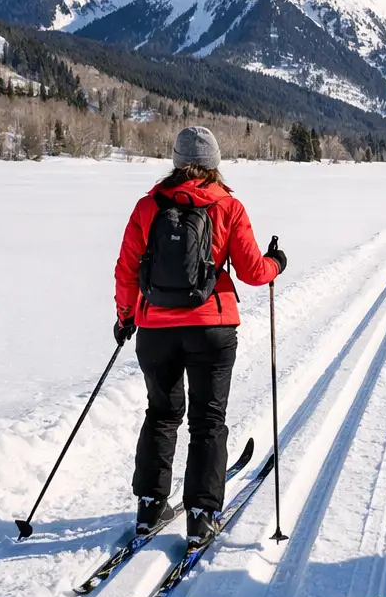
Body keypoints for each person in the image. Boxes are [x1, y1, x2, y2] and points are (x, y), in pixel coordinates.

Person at [112, 127, 286, 548]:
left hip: (155, 329)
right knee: (208, 420)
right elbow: (250, 271)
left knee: (161, 414)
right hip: (212, 328)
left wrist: (125, 316)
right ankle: (203, 514)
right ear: (214, 163)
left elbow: (127, 268)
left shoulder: (147, 207)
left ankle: (150, 505)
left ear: (175, 161)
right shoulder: (227, 205)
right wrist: (276, 263)